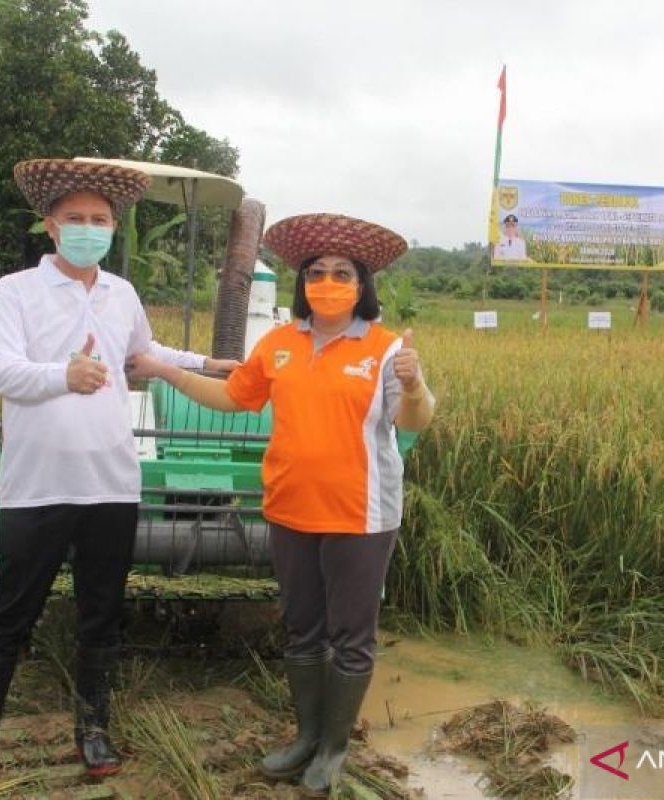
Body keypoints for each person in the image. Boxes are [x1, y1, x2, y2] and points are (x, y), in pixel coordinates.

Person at [126, 213, 435, 796]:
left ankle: (333, 748)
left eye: (341, 273)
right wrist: (166, 369)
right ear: (302, 284)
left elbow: (413, 419)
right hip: (290, 510)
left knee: (351, 636)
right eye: (316, 272)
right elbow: (231, 395)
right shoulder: (280, 343)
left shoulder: (385, 349)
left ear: (362, 284)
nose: (327, 281)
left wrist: (414, 385)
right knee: (303, 631)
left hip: (361, 516)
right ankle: (305, 736)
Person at [0, 159, 161, 790]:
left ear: (114, 226)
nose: (88, 228)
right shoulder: (15, 292)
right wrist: (63, 376)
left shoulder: (121, 293)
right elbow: (3, 372)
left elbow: (140, 357)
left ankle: (94, 729)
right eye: (76, 219)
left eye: (99, 220)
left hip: (111, 484)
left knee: (102, 613)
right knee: (12, 613)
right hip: (38, 484)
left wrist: (206, 362)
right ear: (50, 226)